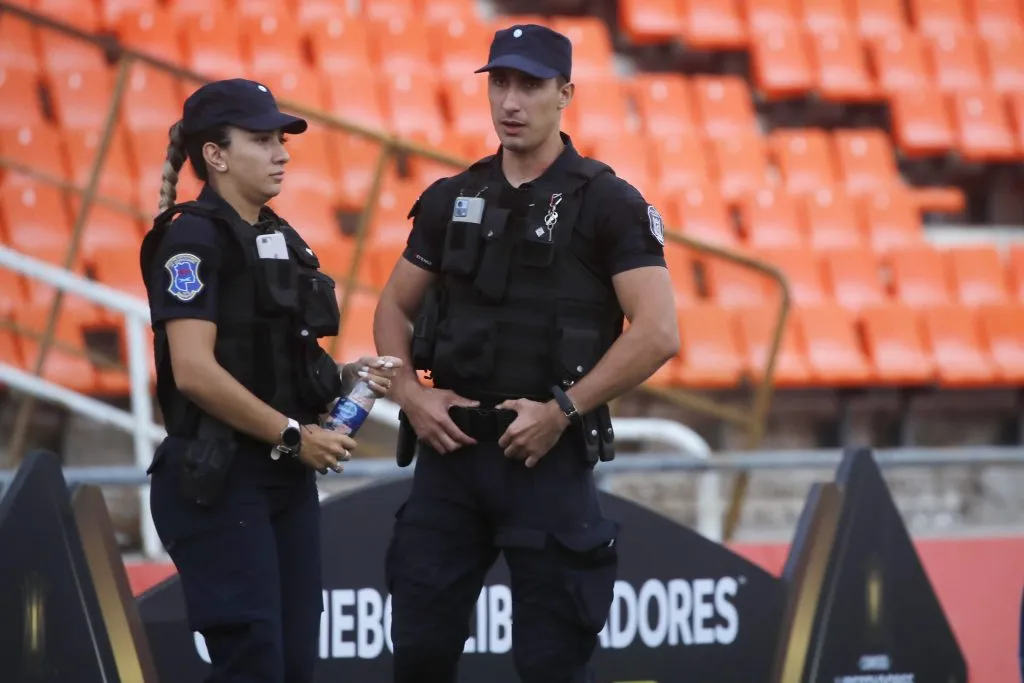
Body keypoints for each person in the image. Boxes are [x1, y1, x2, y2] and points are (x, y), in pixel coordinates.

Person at [372, 24, 680, 683]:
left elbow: (658, 331)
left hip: (547, 458)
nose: (511, 102)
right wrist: (412, 396)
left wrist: (563, 409)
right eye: (501, 83)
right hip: (449, 459)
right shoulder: (452, 197)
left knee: (550, 663)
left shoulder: (608, 204)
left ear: (565, 93)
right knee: (419, 654)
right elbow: (392, 307)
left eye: (531, 85)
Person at [139, 78, 401, 683]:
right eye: (262, 140)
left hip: (282, 479)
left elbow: (276, 363)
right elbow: (195, 372)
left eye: (281, 139)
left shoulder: (278, 234)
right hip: (219, 478)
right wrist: (290, 435)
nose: (281, 153)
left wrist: (345, 378)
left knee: (294, 666)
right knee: (253, 665)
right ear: (216, 154)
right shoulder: (192, 238)